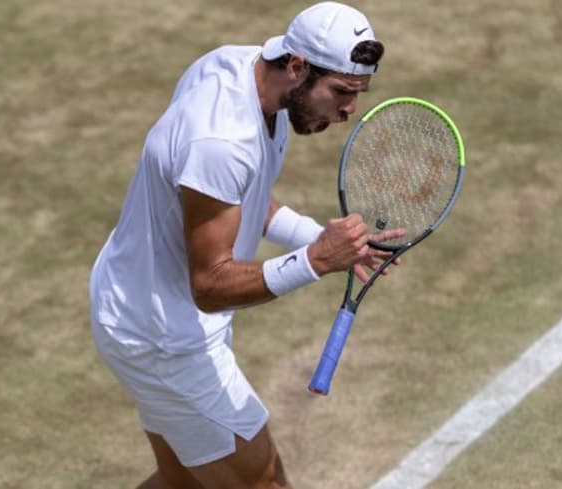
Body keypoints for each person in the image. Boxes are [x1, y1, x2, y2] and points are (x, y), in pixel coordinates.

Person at [89, 2, 401, 487]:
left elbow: (239, 196)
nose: (348, 111)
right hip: (162, 336)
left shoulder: (237, 68)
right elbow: (209, 286)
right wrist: (316, 260)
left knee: (186, 485)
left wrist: (315, 238)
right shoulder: (222, 140)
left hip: (133, 303)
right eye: (340, 92)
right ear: (297, 67)